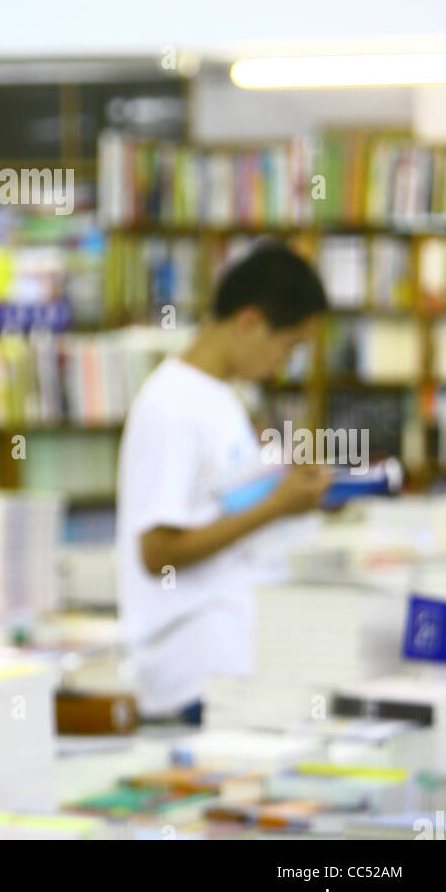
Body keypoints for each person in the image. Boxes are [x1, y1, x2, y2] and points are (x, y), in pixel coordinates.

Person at [115, 239, 329, 724]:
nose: (284, 363)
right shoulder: (173, 406)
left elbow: (222, 506)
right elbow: (157, 552)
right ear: (249, 322)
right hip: (195, 670)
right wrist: (277, 506)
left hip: (231, 660)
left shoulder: (220, 397)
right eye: (287, 345)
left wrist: (284, 488)